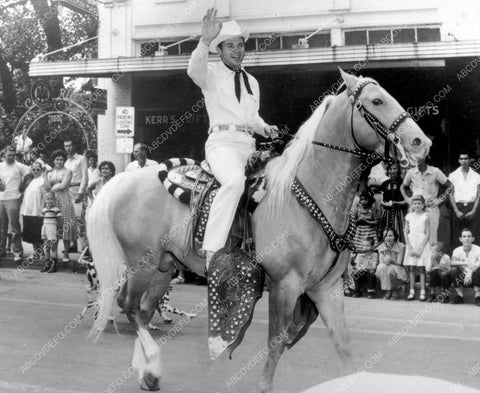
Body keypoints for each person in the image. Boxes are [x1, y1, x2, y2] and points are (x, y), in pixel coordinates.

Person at [187, 8, 278, 268]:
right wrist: (204, 41)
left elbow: (252, 117)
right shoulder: (211, 73)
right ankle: (212, 251)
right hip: (222, 145)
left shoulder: (252, 80)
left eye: (240, 45)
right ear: (219, 50)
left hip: (248, 145)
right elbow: (194, 71)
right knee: (235, 183)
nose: (237, 50)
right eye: (230, 46)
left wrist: (265, 128)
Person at [400, 156, 453, 244]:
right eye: (413, 157)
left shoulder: (435, 171)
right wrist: (407, 199)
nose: (415, 159)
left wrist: (439, 200)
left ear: (424, 158)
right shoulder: (411, 172)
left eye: (417, 157)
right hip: (415, 208)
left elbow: (451, 186)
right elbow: (402, 186)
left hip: (430, 208)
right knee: (414, 235)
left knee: (432, 237)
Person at [43, 149, 77, 265]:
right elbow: (46, 187)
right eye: (57, 159)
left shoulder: (68, 171)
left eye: (61, 159)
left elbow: (63, 186)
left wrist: (53, 187)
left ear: (64, 160)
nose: (59, 161)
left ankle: (66, 253)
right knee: (54, 227)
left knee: (65, 227)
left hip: (64, 200)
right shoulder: (50, 173)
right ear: (53, 160)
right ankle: (54, 253)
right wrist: (45, 176)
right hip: (53, 202)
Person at [0, 145, 30, 262]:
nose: (11, 157)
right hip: (1, 198)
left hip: (13, 198)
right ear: (4, 155)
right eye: (9, 155)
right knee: (1, 228)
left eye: (13, 155)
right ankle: (1, 250)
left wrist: (22, 188)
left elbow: (29, 176)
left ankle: (17, 251)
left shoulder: (20, 166)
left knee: (15, 227)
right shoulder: (0, 166)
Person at [403, 195, 431, 301]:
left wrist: (419, 249)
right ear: (412, 205)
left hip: (422, 243)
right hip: (411, 242)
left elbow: (427, 234)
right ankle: (412, 291)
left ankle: (423, 292)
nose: (417, 205)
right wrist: (409, 247)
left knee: (421, 268)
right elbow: (406, 232)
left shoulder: (426, 216)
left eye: (419, 203)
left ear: (423, 205)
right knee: (411, 268)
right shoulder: (408, 216)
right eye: (415, 203)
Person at [448, 152, 480, 241]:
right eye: (461, 159)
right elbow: (450, 194)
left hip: (472, 207)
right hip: (458, 207)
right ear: (459, 160)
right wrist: (457, 211)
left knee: (474, 234)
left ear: (469, 160)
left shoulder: (476, 176)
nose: (464, 161)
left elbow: (478, 194)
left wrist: (474, 210)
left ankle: (475, 255)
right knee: (457, 235)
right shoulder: (452, 175)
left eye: (466, 159)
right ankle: (457, 255)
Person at [64, 138, 88, 252]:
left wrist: (81, 192)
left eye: (69, 145)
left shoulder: (81, 159)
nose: (67, 148)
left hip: (77, 189)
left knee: (79, 220)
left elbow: (85, 176)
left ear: (74, 146)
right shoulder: (67, 162)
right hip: (68, 191)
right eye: (66, 146)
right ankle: (73, 245)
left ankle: (85, 247)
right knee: (69, 220)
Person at [19, 161, 45, 261]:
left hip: (37, 211)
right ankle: (36, 253)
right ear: (31, 170)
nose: (35, 171)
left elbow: (44, 196)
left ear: (41, 170)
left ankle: (42, 253)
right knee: (31, 235)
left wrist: (41, 209)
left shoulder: (42, 180)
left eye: (38, 169)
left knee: (38, 234)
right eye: (33, 169)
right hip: (28, 211)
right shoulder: (30, 181)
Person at [378, 162, 408, 243]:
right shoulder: (385, 184)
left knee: (398, 234)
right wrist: (386, 204)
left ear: (398, 170)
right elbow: (381, 201)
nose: (392, 171)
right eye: (390, 169)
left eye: (395, 168)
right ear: (388, 171)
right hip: (387, 213)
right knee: (386, 234)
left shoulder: (403, 183)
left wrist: (396, 203)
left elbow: (407, 201)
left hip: (399, 213)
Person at [376, 228, 408, 300]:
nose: (388, 238)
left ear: (395, 236)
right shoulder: (381, 246)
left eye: (390, 235)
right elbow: (380, 261)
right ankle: (389, 290)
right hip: (386, 267)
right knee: (381, 267)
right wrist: (385, 261)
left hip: (398, 269)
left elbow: (399, 263)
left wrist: (391, 261)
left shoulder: (401, 246)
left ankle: (393, 290)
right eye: (386, 236)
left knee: (390, 271)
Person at [450, 228, 480, 306]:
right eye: (464, 236)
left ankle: (477, 295)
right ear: (460, 239)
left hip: (474, 277)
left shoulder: (478, 249)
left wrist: (470, 271)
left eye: (469, 236)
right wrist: (466, 263)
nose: (466, 238)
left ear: (472, 238)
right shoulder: (457, 250)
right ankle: (460, 295)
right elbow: (452, 262)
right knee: (453, 269)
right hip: (462, 277)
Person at [40, 192, 62, 273]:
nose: (49, 201)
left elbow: (60, 220)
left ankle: (54, 265)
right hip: (45, 227)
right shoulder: (44, 210)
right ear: (45, 200)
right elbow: (43, 218)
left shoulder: (56, 210)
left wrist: (59, 228)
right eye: (47, 199)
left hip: (52, 228)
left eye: (51, 199)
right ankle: (47, 264)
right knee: (46, 247)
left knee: (53, 247)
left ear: (54, 200)